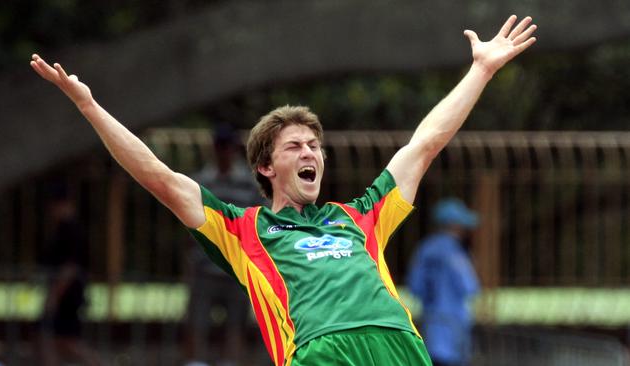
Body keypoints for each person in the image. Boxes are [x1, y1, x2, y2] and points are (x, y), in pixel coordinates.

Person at [30, 15, 536, 366]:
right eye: (295, 146)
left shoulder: (360, 215)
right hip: (321, 350)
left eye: (315, 145)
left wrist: (481, 69)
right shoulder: (242, 228)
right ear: (266, 167)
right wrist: (89, 107)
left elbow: (424, 145)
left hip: (398, 344)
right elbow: (160, 177)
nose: (311, 152)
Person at [182, 124, 266, 366]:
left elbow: (258, 221)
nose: (223, 153)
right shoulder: (201, 181)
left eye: (227, 148)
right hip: (203, 266)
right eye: (220, 148)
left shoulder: (249, 184)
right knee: (196, 323)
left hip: (236, 267)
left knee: (236, 325)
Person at [407, 198, 481, 366]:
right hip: (455, 327)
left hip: (431, 326)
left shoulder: (425, 249)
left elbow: (415, 286)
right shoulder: (455, 253)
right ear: (455, 225)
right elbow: (470, 287)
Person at [38, 181, 102, 366]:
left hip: (68, 295)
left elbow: (70, 268)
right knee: (52, 340)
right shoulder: (63, 228)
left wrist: (55, 295)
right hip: (64, 293)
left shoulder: (71, 230)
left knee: (63, 341)